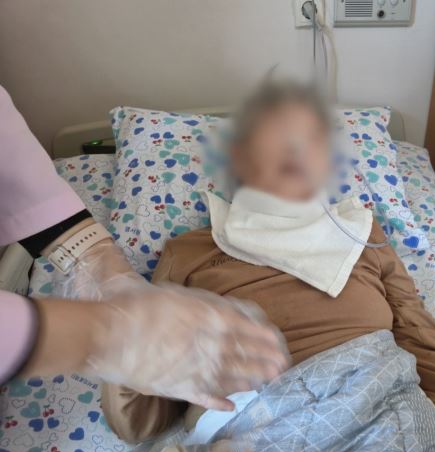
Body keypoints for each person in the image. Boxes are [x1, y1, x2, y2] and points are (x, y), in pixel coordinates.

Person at [101, 80, 435, 452]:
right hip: (253, 436)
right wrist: (128, 349)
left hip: (383, 411)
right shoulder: (189, 252)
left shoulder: (362, 234)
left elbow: (419, 338)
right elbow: (141, 417)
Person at [0, 85, 290, 410]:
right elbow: (138, 403)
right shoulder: (194, 247)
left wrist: (94, 259)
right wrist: (109, 336)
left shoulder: (339, 234)